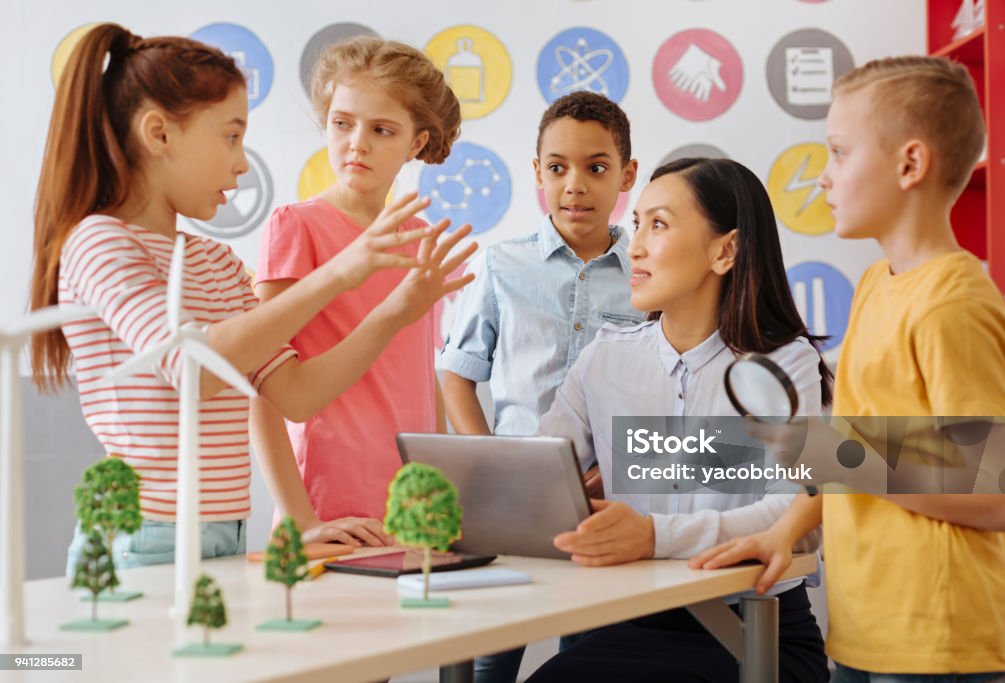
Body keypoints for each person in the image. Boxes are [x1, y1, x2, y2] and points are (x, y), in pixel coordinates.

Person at [27, 24, 472, 572]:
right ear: (159, 134)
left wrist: (392, 311)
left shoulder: (215, 263)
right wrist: (342, 274)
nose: (242, 165)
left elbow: (294, 394)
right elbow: (192, 368)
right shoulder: (100, 240)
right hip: (146, 533)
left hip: (225, 531)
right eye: (231, 137)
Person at [691, 57, 1005, 683]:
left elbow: (1003, 491)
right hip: (868, 625)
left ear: (910, 165)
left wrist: (837, 451)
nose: (822, 178)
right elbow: (855, 444)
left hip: (938, 636)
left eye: (839, 154)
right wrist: (784, 531)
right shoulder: (877, 284)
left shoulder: (954, 304)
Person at [527, 157, 831, 682]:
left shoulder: (785, 363)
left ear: (725, 250)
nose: (635, 246)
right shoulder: (606, 358)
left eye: (659, 225)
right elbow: (535, 474)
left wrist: (652, 536)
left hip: (758, 634)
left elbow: (793, 513)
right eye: (638, 222)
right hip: (630, 626)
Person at [438, 91, 641, 683]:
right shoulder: (502, 265)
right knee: (489, 654)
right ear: (537, 173)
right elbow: (457, 374)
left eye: (596, 168)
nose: (574, 185)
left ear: (627, 174)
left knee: (586, 653)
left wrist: (619, 467)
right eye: (558, 168)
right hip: (510, 503)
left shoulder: (647, 276)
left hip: (603, 500)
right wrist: (488, 461)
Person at [250, 37, 468, 545]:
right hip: (331, 513)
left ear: (416, 143)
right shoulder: (297, 227)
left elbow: (418, 378)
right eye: (342, 123)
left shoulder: (416, 241)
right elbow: (261, 389)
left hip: (410, 514)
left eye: (382, 129)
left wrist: (432, 486)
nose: (357, 143)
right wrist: (301, 520)